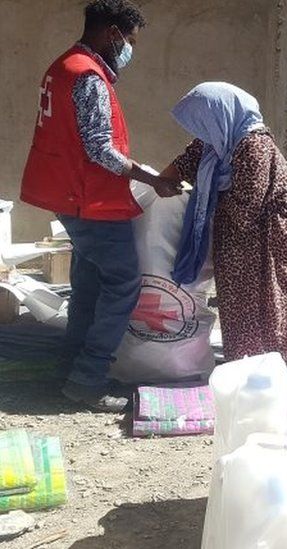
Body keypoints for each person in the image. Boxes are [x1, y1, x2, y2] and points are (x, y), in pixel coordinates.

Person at [19, 0, 182, 412]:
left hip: (70, 197)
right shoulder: (87, 76)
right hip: (89, 201)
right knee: (123, 284)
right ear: (112, 33)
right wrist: (154, 181)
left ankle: (69, 369)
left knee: (89, 287)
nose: (129, 48)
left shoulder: (62, 66)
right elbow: (100, 150)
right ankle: (89, 379)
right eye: (128, 40)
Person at [159, 83, 287, 367]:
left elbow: (247, 205)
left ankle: (272, 366)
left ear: (219, 116)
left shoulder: (253, 145)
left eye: (201, 122)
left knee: (267, 303)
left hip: (273, 240)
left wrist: (203, 200)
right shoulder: (214, 142)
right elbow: (180, 166)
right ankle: (244, 364)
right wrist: (159, 182)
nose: (199, 131)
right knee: (239, 303)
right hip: (239, 238)